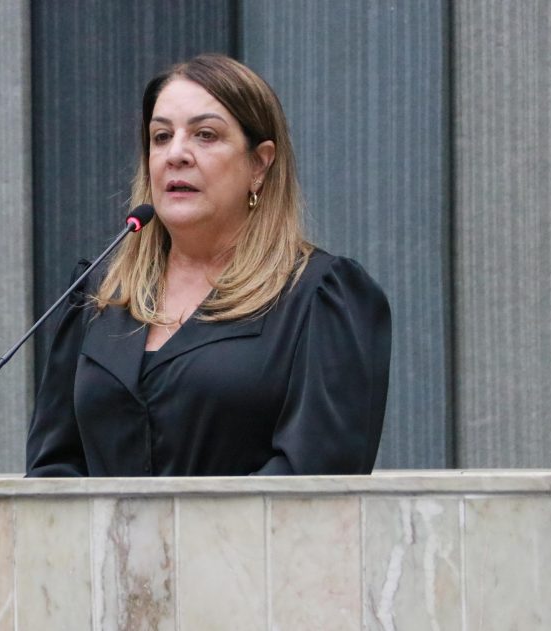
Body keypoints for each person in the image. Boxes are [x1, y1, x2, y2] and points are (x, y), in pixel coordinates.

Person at [26, 54, 390, 477]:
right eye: (161, 137)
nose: (176, 154)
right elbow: (52, 471)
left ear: (259, 163)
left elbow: (315, 478)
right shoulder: (99, 296)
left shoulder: (319, 297)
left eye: (205, 135)